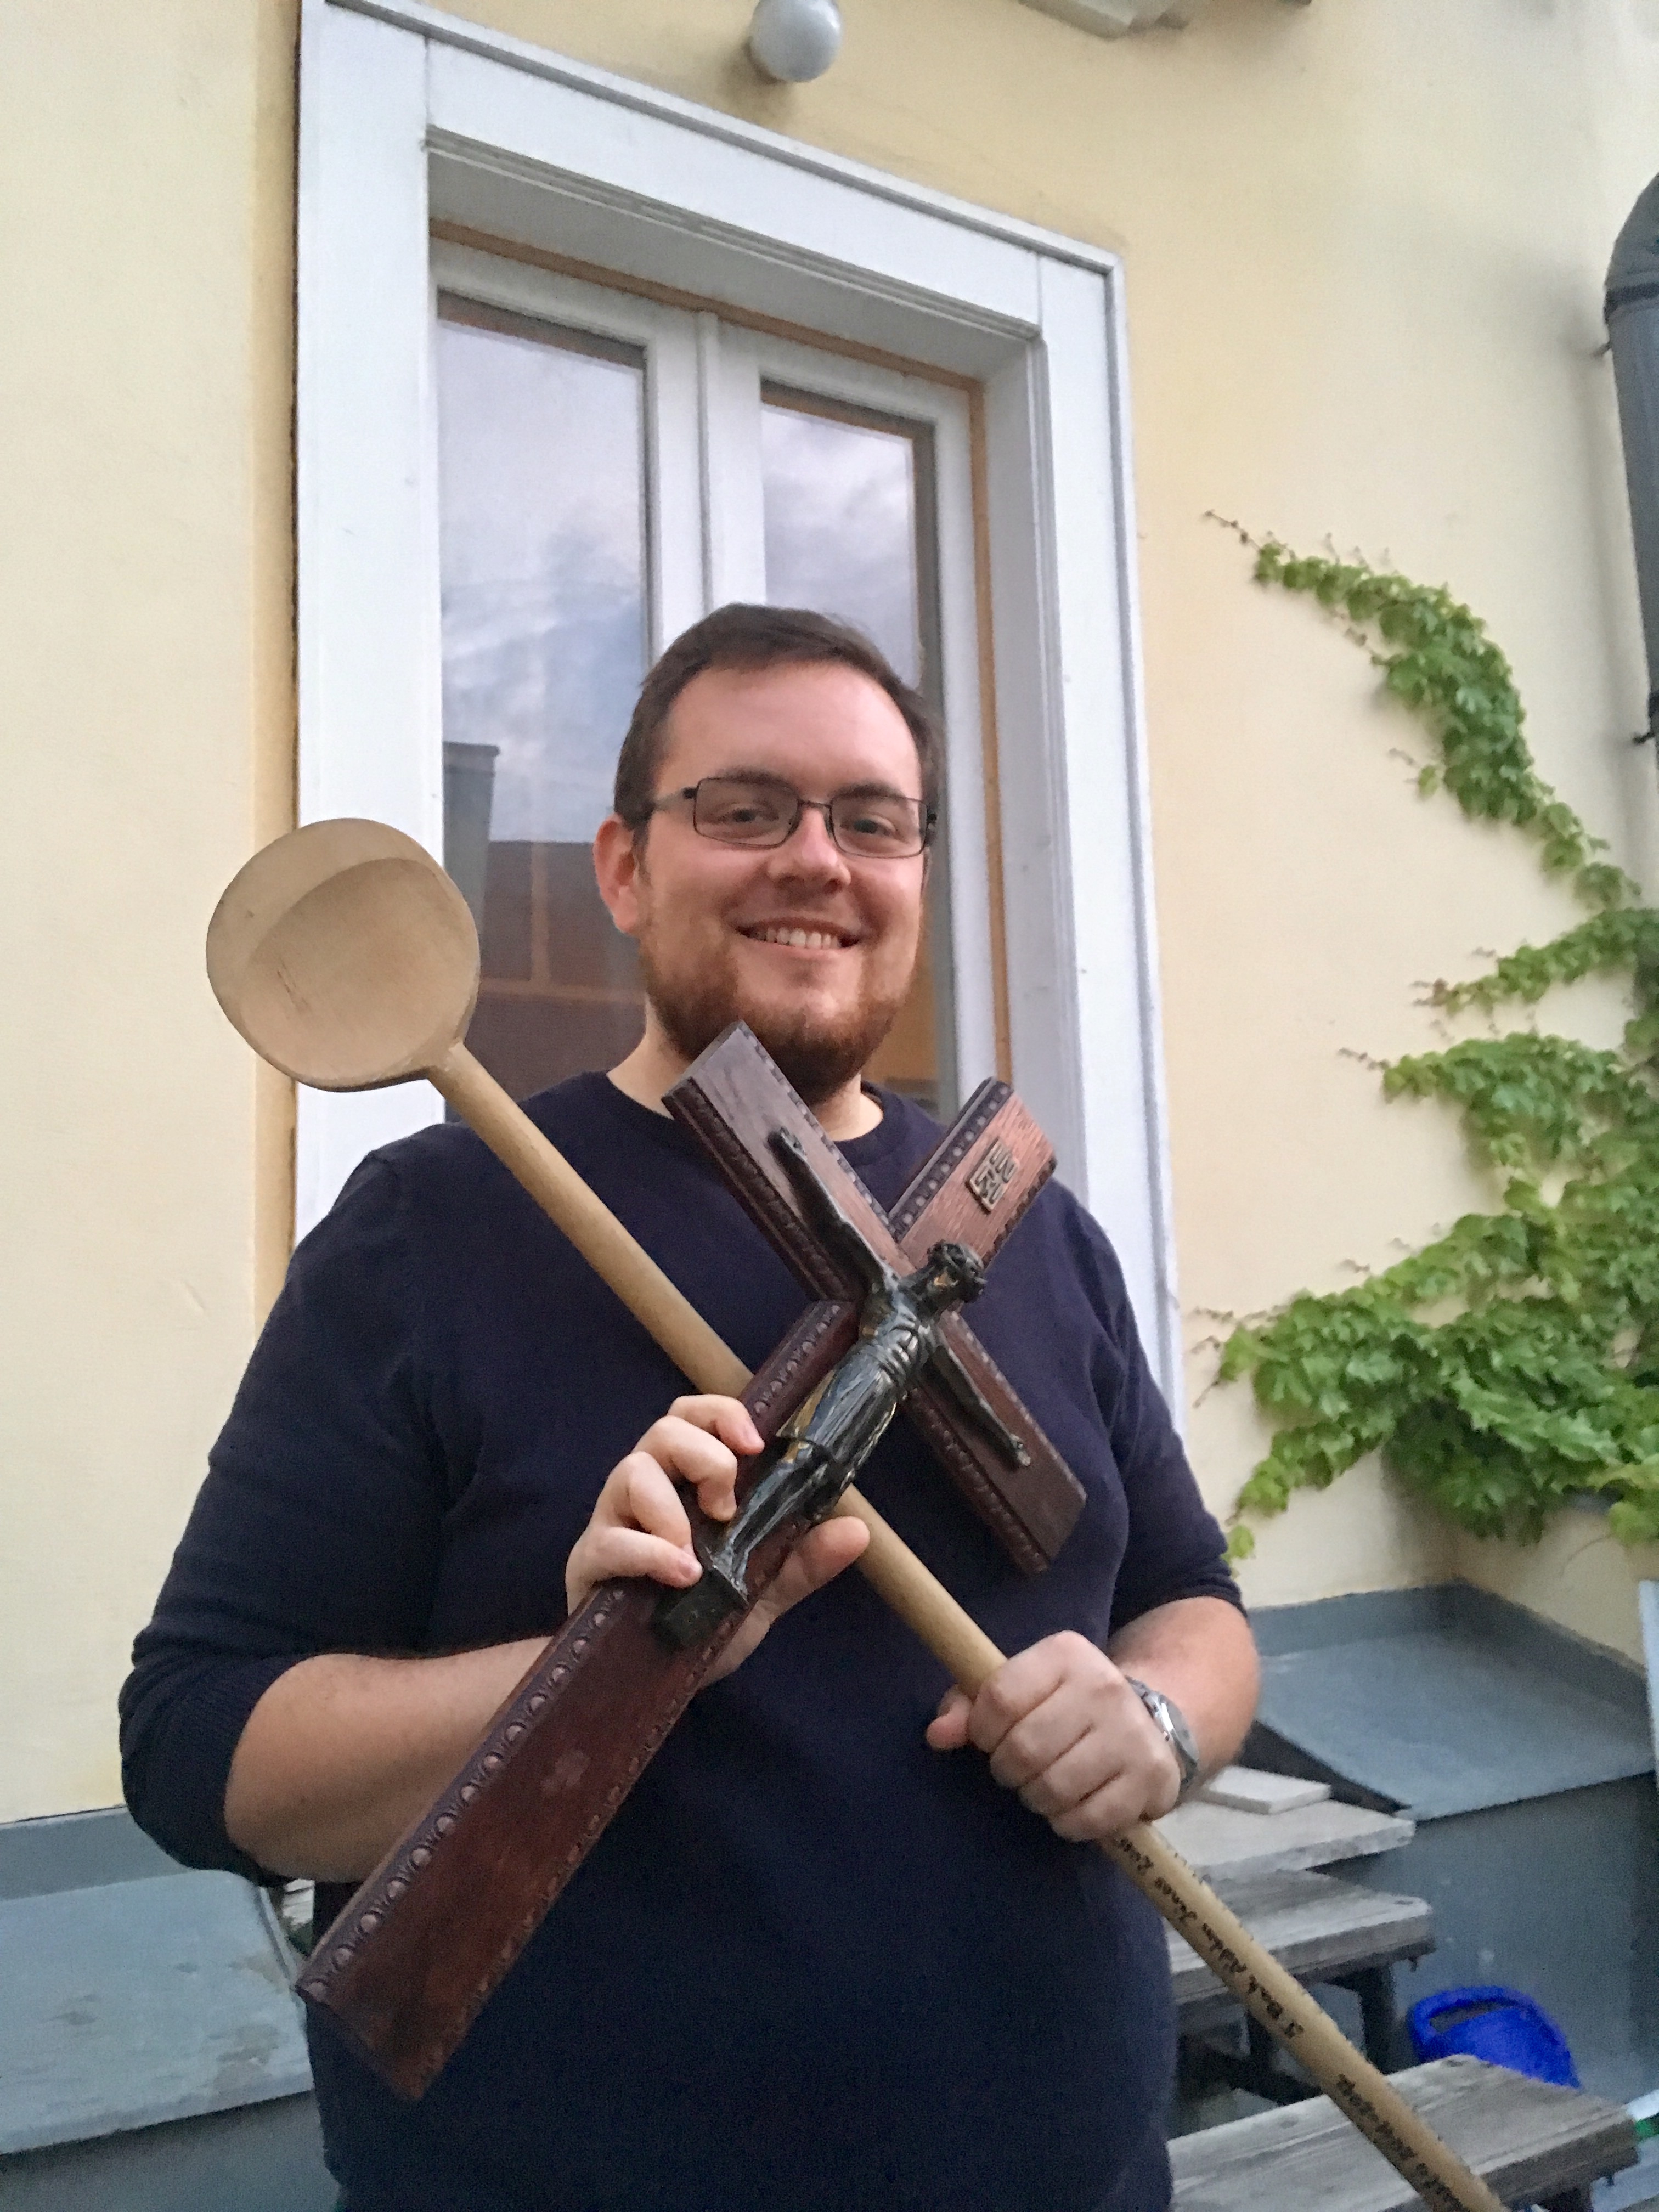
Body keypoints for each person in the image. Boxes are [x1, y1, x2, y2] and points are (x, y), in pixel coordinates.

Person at [121, 605, 1260, 2212]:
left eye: (875, 821)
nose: (818, 860)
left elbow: (1192, 1602)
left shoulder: (1022, 1227)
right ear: (624, 867)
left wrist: (1156, 1722)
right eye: (745, 808)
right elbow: (198, 1750)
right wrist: (603, 1664)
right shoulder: (434, 1232)